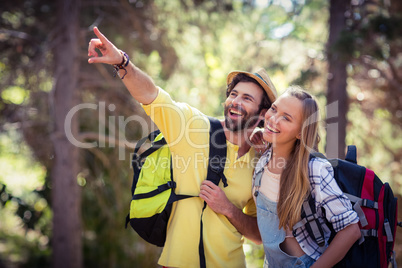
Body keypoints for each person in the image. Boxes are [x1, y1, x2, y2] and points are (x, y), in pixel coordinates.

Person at [88, 26, 278, 268]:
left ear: (262, 114)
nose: (235, 102)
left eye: (247, 98)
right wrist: (122, 62)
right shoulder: (192, 125)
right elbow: (151, 95)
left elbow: (259, 235)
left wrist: (228, 209)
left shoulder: (261, 161)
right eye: (234, 94)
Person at [250, 86, 361, 267]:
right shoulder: (263, 162)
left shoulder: (314, 170)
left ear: (301, 132)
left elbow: (351, 230)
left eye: (286, 118)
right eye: (274, 109)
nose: (273, 119)